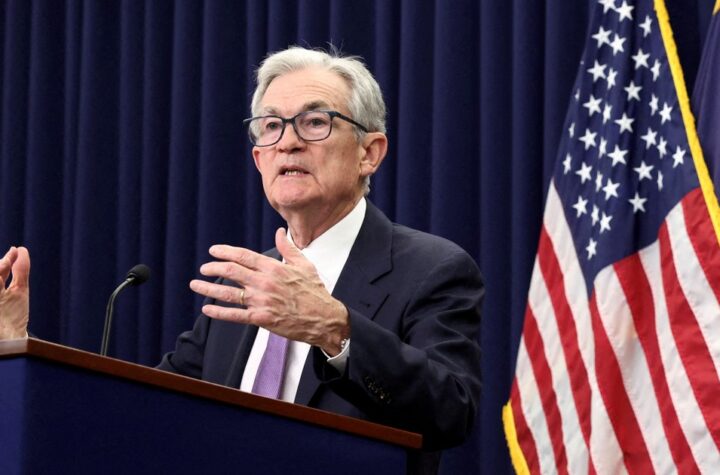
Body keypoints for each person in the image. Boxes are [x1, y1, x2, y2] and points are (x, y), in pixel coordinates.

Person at [1, 47, 482, 473]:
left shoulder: (431, 269)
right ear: (259, 160)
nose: (288, 142)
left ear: (369, 153)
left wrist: (336, 329)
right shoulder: (247, 284)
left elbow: (451, 412)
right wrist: (19, 347)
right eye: (271, 126)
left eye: (315, 122)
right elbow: (142, 409)